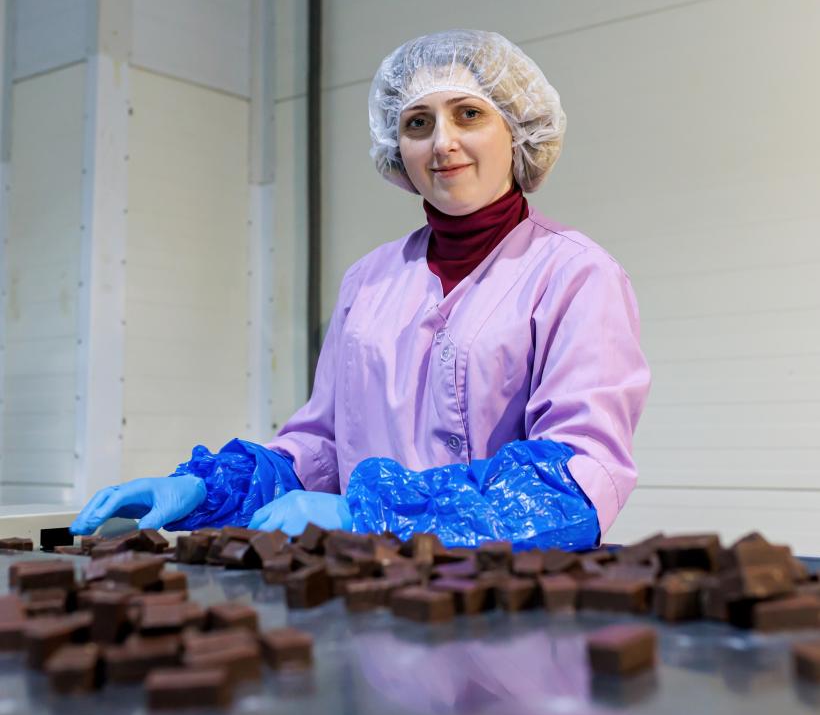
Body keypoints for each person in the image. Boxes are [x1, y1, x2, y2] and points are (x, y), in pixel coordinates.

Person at [71, 30, 650, 550]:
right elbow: (321, 446)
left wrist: (371, 514)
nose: (442, 143)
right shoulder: (369, 280)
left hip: (503, 615)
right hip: (365, 608)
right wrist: (202, 489)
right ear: (398, 149)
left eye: (469, 114)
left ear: (517, 130)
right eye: (418, 123)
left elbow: (575, 481)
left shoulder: (576, 275)